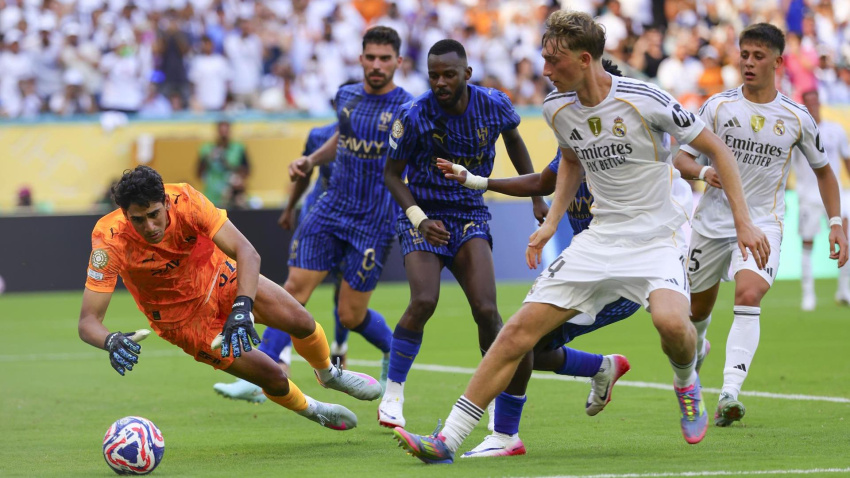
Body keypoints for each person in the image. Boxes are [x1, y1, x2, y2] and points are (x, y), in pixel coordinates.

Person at [392, 11, 768, 464]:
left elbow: (718, 150)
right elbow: (570, 159)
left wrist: (745, 222)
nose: (545, 71)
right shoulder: (557, 107)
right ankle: (447, 440)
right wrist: (550, 223)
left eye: (554, 61)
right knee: (515, 334)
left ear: (585, 58)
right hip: (599, 239)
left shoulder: (646, 99)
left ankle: (686, 381)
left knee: (672, 325)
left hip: (657, 238)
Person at [78, 166, 383, 433]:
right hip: (184, 322)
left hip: (221, 278)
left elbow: (246, 252)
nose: (149, 227)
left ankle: (329, 374)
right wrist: (110, 340)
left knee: (301, 322)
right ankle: (313, 409)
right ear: (124, 214)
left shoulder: (186, 199)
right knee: (274, 377)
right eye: (138, 220)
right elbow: (89, 322)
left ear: (166, 203)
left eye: (154, 215)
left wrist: (242, 306)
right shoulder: (109, 239)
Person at [674, 24, 848, 427]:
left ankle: (729, 394)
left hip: (763, 223)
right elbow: (678, 159)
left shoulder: (797, 117)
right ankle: (699, 350)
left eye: (757, 56)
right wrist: (703, 170)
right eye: (744, 54)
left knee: (749, 295)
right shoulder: (717, 107)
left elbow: (825, 172)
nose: (748, 63)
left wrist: (836, 223)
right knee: (697, 312)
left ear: (778, 62)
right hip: (711, 224)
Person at [380, 38, 547, 431]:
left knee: (487, 311)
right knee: (424, 299)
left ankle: (492, 396)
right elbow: (391, 174)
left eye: (448, 74)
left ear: (466, 74)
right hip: (424, 216)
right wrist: (420, 219)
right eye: (433, 75)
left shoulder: (494, 104)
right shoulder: (414, 114)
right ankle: (393, 394)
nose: (440, 82)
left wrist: (536, 197)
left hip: (470, 214)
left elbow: (515, 142)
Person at [285, 26, 414, 392]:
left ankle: (393, 350)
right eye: (370, 57)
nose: (376, 65)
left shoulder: (408, 107)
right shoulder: (346, 96)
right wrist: (310, 160)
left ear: (398, 62)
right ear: (360, 59)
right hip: (331, 207)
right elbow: (342, 139)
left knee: (350, 314)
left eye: (384, 58)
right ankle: (280, 367)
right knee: (294, 290)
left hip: (374, 221)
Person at [792, 90, 850, 309]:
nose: (813, 106)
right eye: (809, 103)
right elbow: (788, 164)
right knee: (807, 244)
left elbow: (846, 160)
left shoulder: (836, 131)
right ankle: (808, 295)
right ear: (804, 106)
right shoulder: (798, 133)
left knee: (844, 239)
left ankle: (844, 290)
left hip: (834, 197)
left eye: (816, 102)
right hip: (808, 197)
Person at [197, 120, 249, 208]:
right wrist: (207, 158)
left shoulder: (239, 148)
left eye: (226, 132)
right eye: (221, 132)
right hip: (211, 196)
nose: (223, 136)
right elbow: (198, 173)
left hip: (232, 195)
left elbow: (246, 171)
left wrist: (225, 162)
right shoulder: (206, 149)